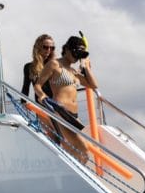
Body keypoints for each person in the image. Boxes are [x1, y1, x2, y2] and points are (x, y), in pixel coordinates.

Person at [34, 34, 98, 163]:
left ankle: (73, 177)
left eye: (79, 54)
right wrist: (43, 96)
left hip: (74, 115)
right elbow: (37, 85)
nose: (76, 57)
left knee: (74, 150)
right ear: (67, 50)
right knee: (83, 148)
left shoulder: (73, 71)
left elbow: (93, 85)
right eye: (75, 53)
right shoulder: (54, 64)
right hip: (60, 111)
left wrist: (85, 65)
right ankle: (80, 178)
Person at [21, 34, 55, 98]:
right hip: (41, 105)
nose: (49, 50)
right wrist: (23, 103)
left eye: (52, 48)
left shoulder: (56, 64)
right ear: (38, 47)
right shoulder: (29, 67)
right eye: (46, 47)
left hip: (58, 104)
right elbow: (25, 88)